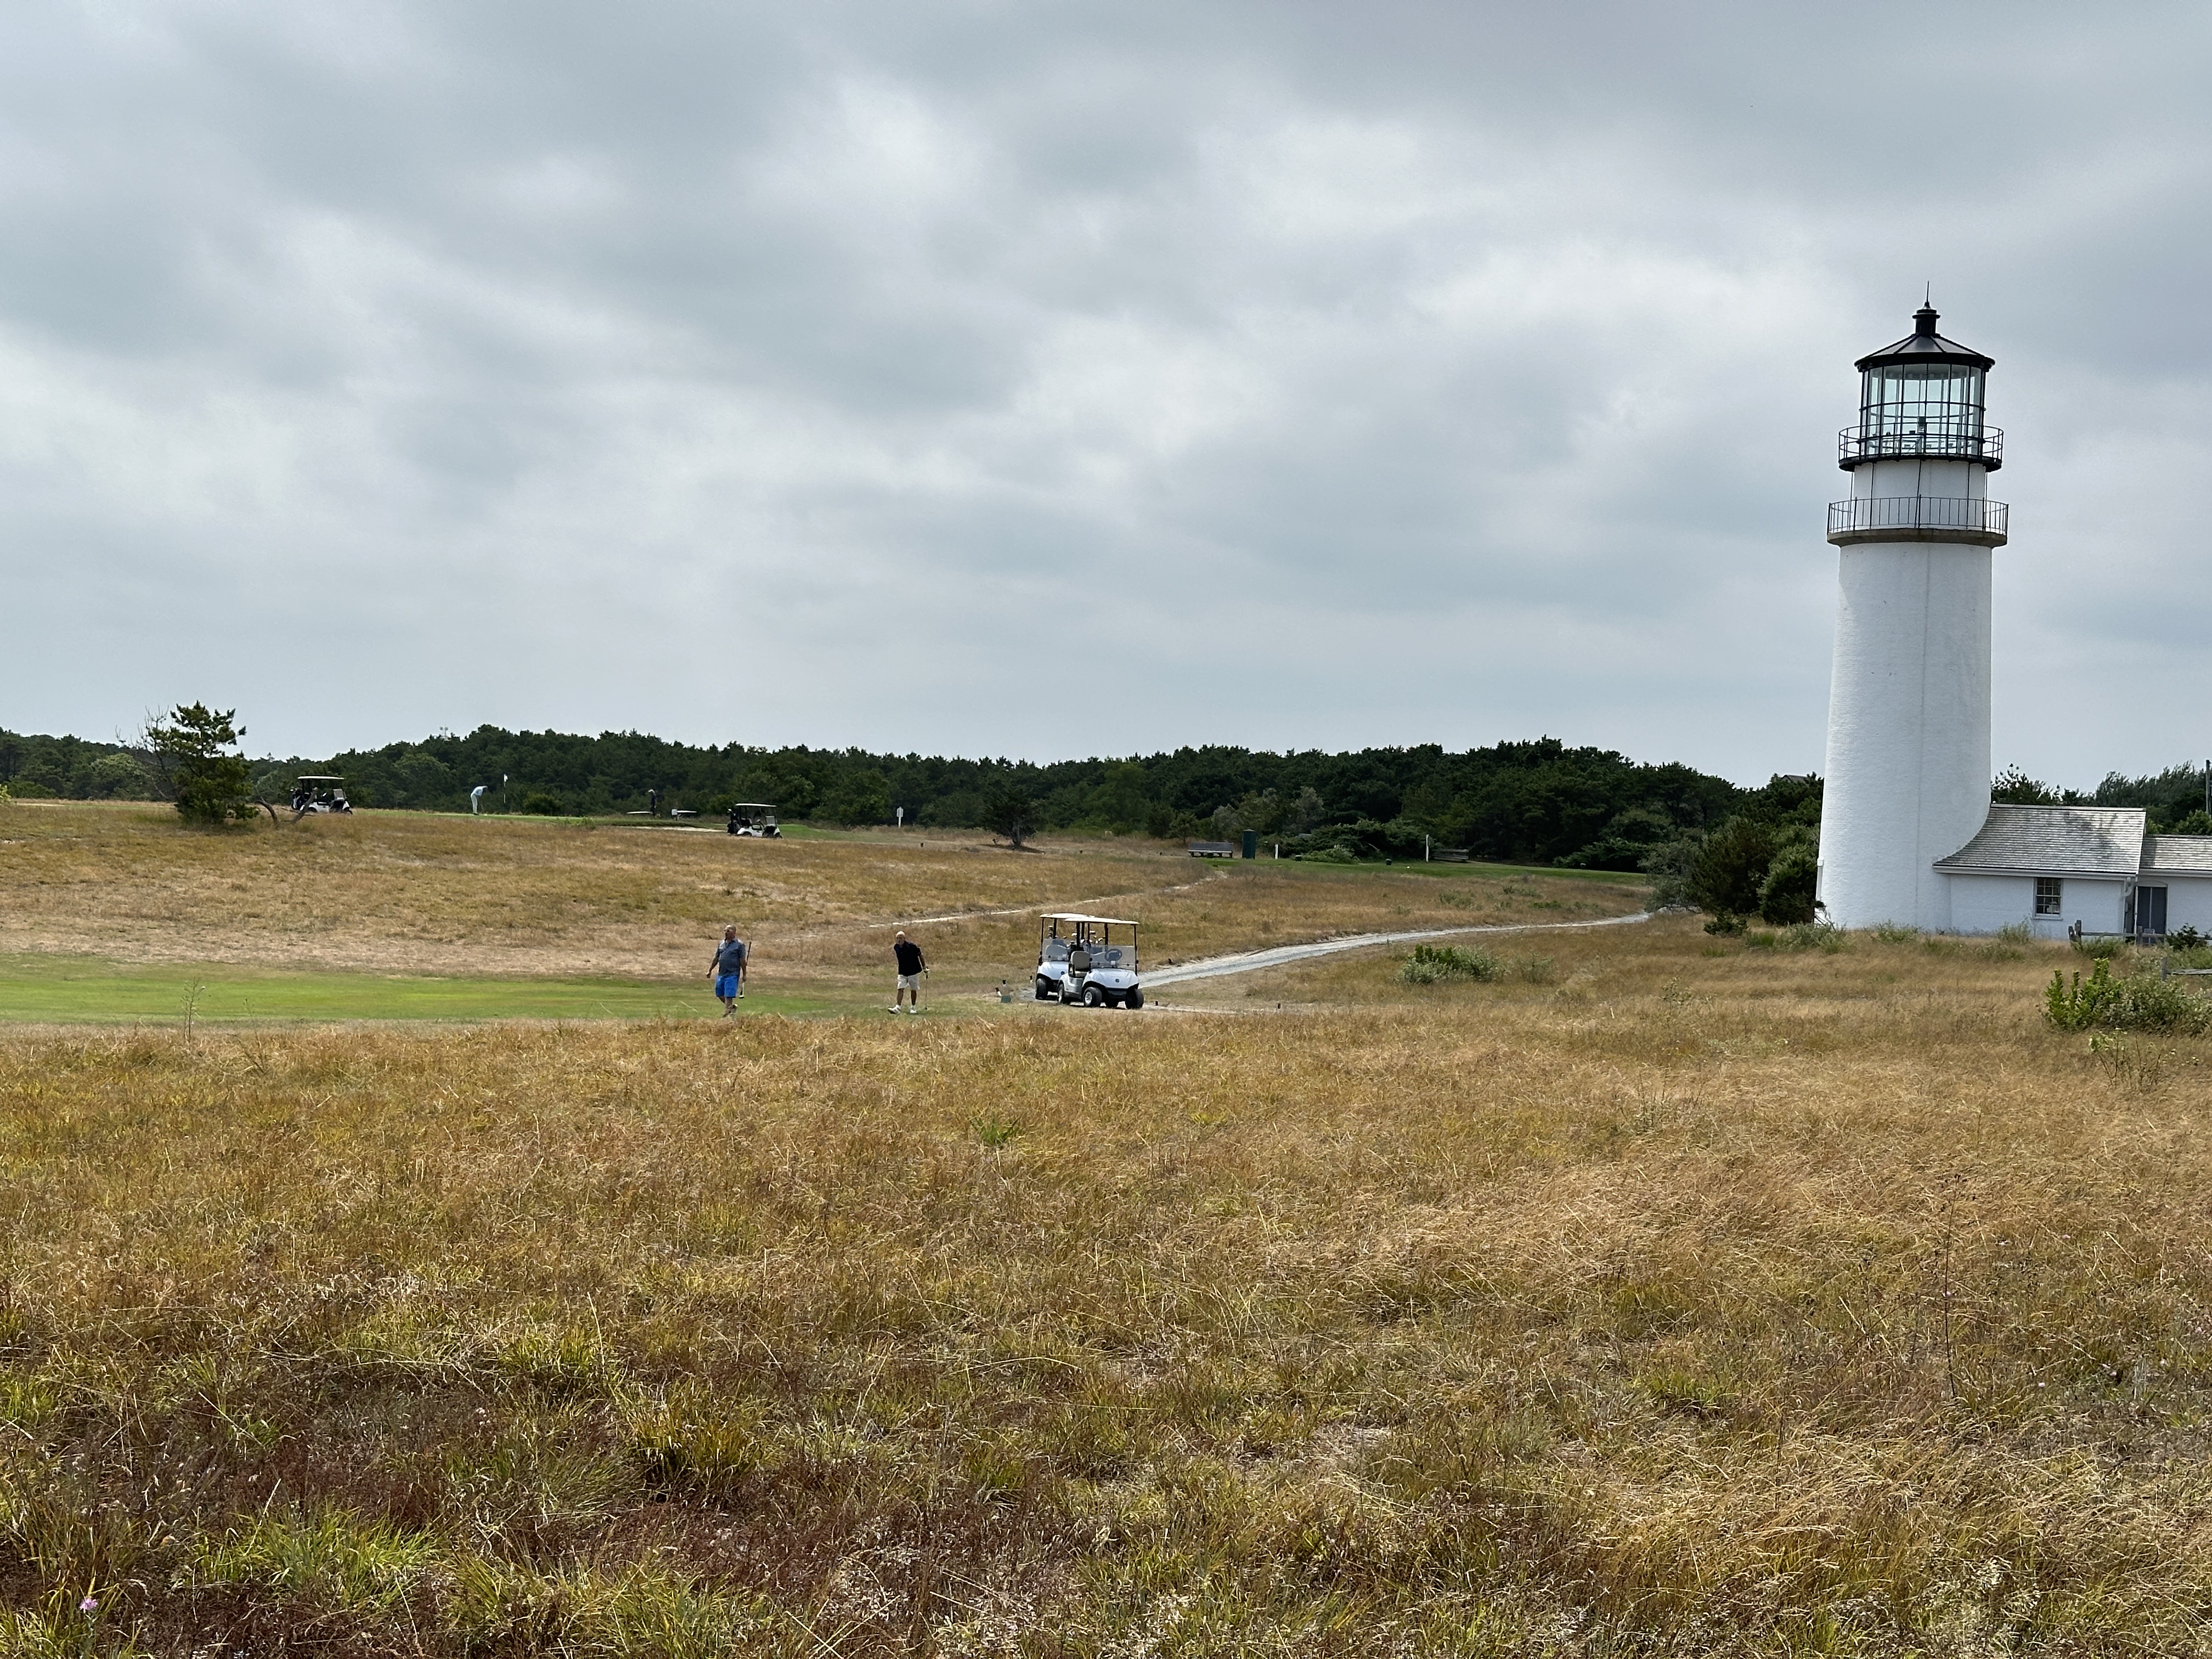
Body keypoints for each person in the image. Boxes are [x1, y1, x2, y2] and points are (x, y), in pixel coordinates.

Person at [709, 926, 748, 1015]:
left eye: (728, 931)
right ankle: (732, 1007)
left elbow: (742, 960)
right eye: (725, 931)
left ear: (734, 932)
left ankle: (727, 1013)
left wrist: (744, 974)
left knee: (729, 995)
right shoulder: (721, 944)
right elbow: (717, 958)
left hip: (733, 974)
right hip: (722, 973)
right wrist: (710, 970)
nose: (726, 933)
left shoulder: (739, 945)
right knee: (719, 993)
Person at [892, 930, 927, 1014]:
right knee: (900, 988)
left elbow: (920, 955)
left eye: (900, 938)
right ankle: (898, 1008)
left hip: (913, 971)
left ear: (904, 939)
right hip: (902, 972)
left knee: (913, 989)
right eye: (897, 938)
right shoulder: (896, 947)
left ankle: (913, 1008)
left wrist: (924, 967)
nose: (899, 940)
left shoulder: (912, 946)